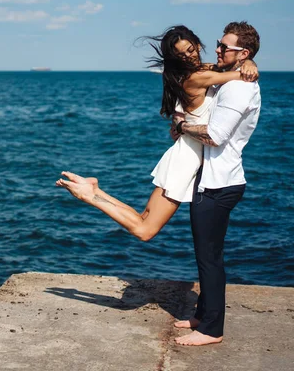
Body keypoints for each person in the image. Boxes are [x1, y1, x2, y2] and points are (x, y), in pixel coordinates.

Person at [55, 25, 257, 242]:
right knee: (145, 229)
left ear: (198, 45)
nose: (189, 57)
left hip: (189, 154)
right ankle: (90, 196)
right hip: (187, 158)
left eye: (190, 50)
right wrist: (249, 63)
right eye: (181, 55)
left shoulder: (201, 72)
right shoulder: (196, 78)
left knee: (144, 219)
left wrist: (248, 60)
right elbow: (242, 76)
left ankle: (94, 191)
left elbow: (225, 70)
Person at [171, 21, 261, 346]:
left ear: (243, 53)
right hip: (210, 180)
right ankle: (202, 313)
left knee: (209, 257)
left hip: (219, 184)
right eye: (218, 44)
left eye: (225, 47)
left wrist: (182, 126)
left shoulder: (239, 87)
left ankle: (211, 329)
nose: (218, 50)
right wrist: (248, 64)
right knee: (207, 255)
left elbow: (215, 135)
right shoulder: (232, 77)